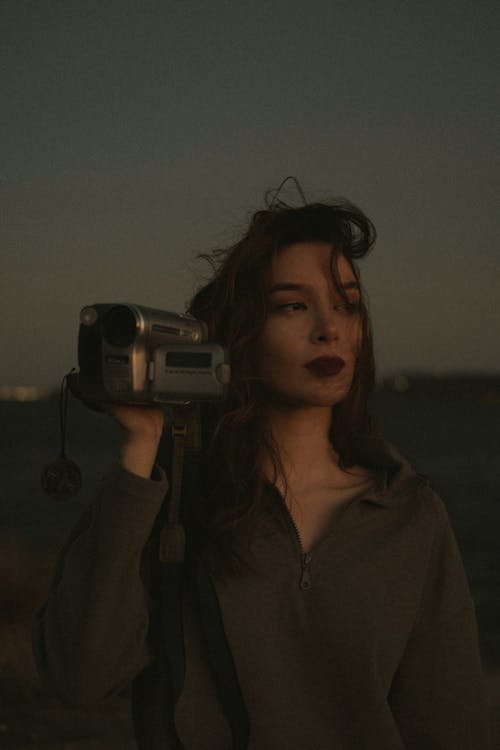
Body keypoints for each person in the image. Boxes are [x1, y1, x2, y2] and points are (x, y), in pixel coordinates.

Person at [33, 198, 491, 749]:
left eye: (347, 305)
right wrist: (141, 446)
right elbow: (78, 676)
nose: (330, 329)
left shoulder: (409, 513)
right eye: (293, 306)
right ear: (239, 339)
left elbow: (449, 723)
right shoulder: (176, 501)